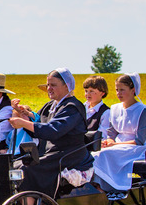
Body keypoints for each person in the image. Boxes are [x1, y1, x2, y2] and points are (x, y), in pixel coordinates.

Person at [8, 67, 94, 197]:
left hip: (68, 155)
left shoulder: (72, 107)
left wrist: (24, 123)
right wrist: (24, 115)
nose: (49, 88)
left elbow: (53, 130)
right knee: (15, 163)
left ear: (66, 86)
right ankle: (18, 203)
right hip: (50, 153)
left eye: (53, 85)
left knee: (26, 169)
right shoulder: (50, 106)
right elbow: (39, 129)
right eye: (48, 85)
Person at [92, 73, 146, 194]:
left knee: (102, 155)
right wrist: (109, 141)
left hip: (135, 148)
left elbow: (140, 141)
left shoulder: (142, 111)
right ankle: (96, 185)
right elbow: (111, 133)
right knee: (94, 153)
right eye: (117, 90)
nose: (118, 93)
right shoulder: (115, 109)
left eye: (122, 90)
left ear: (133, 90)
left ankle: (109, 187)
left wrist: (114, 145)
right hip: (118, 146)